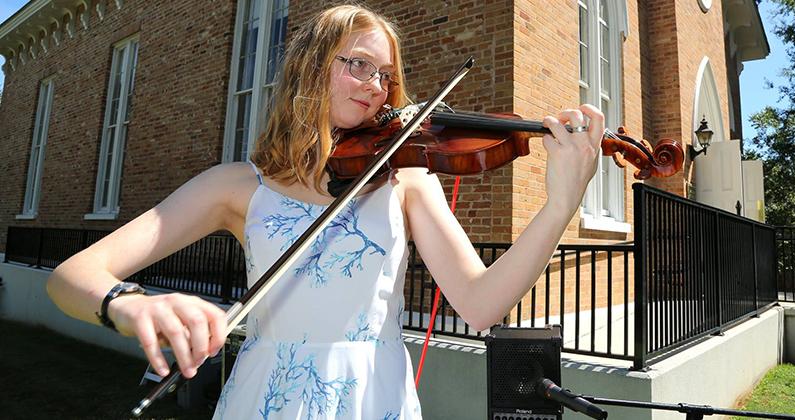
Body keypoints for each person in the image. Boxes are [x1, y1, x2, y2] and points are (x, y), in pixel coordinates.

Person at [46, 4, 604, 419]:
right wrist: (130, 304)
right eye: (359, 65)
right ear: (312, 67)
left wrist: (560, 204)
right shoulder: (239, 186)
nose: (378, 88)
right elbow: (72, 278)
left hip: (373, 396)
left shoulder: (405, 177)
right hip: (266, 397)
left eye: (386, 75)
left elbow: (481, 304)